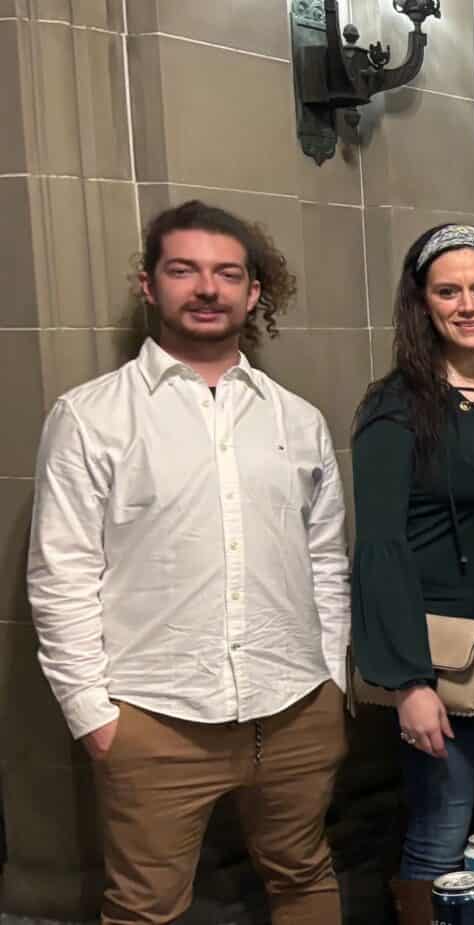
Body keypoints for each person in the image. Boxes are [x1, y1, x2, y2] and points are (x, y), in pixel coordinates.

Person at [28, 200, 349, 922]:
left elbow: (325, 559)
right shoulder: (90, 417)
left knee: (306, 878)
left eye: (227, 273)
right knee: (146, 908)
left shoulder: (295, 420)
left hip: (294, 707)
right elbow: (61, 574)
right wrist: (95, 715)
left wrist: (331, 675)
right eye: (185, 270)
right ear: (150, 285)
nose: (207, 288)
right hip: (155, 717)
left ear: (253, 291)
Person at [349, 224, 474, 899]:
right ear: (422, 302)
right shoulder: (396, 404)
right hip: (443, 661)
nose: (467, 304)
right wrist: (409, 681)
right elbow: (379, 547)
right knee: (441, 829)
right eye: (448, 290)